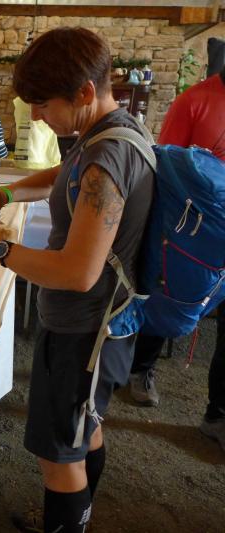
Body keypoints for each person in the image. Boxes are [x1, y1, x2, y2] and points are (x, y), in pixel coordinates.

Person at [0, 27, 154, 532]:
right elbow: (64, 173)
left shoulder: (107, 159)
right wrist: (7, 194)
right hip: (104, 326)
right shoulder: (109, 131)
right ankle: (73, 516)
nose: (38, 116)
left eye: (43, 105)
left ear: (84, 92)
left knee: (58, 456)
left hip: (84, 333)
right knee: (85, 429)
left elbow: (77, 272)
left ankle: (66, 519)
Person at [128, 64, 225, 452]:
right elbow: (163, 169)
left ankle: (217, 414)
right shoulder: (194, 101)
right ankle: (141, 369)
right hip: (193, 234)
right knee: (164, 296)